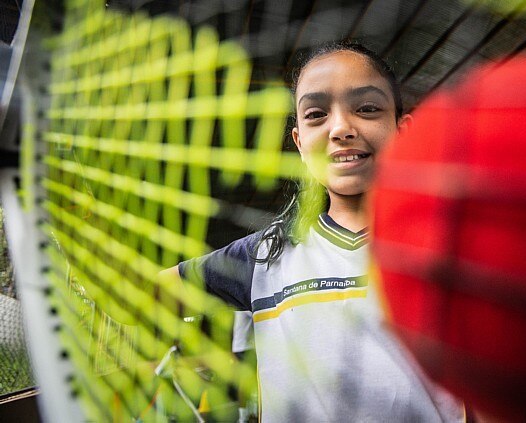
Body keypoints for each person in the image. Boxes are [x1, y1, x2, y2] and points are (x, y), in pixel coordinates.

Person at [163, 41, 465, 422]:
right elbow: (152, 292)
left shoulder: (454, 244)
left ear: (403, 130)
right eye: (317, 114)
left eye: (367, 108)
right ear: (300, 143)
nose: (341, 128)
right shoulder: (264, 256)